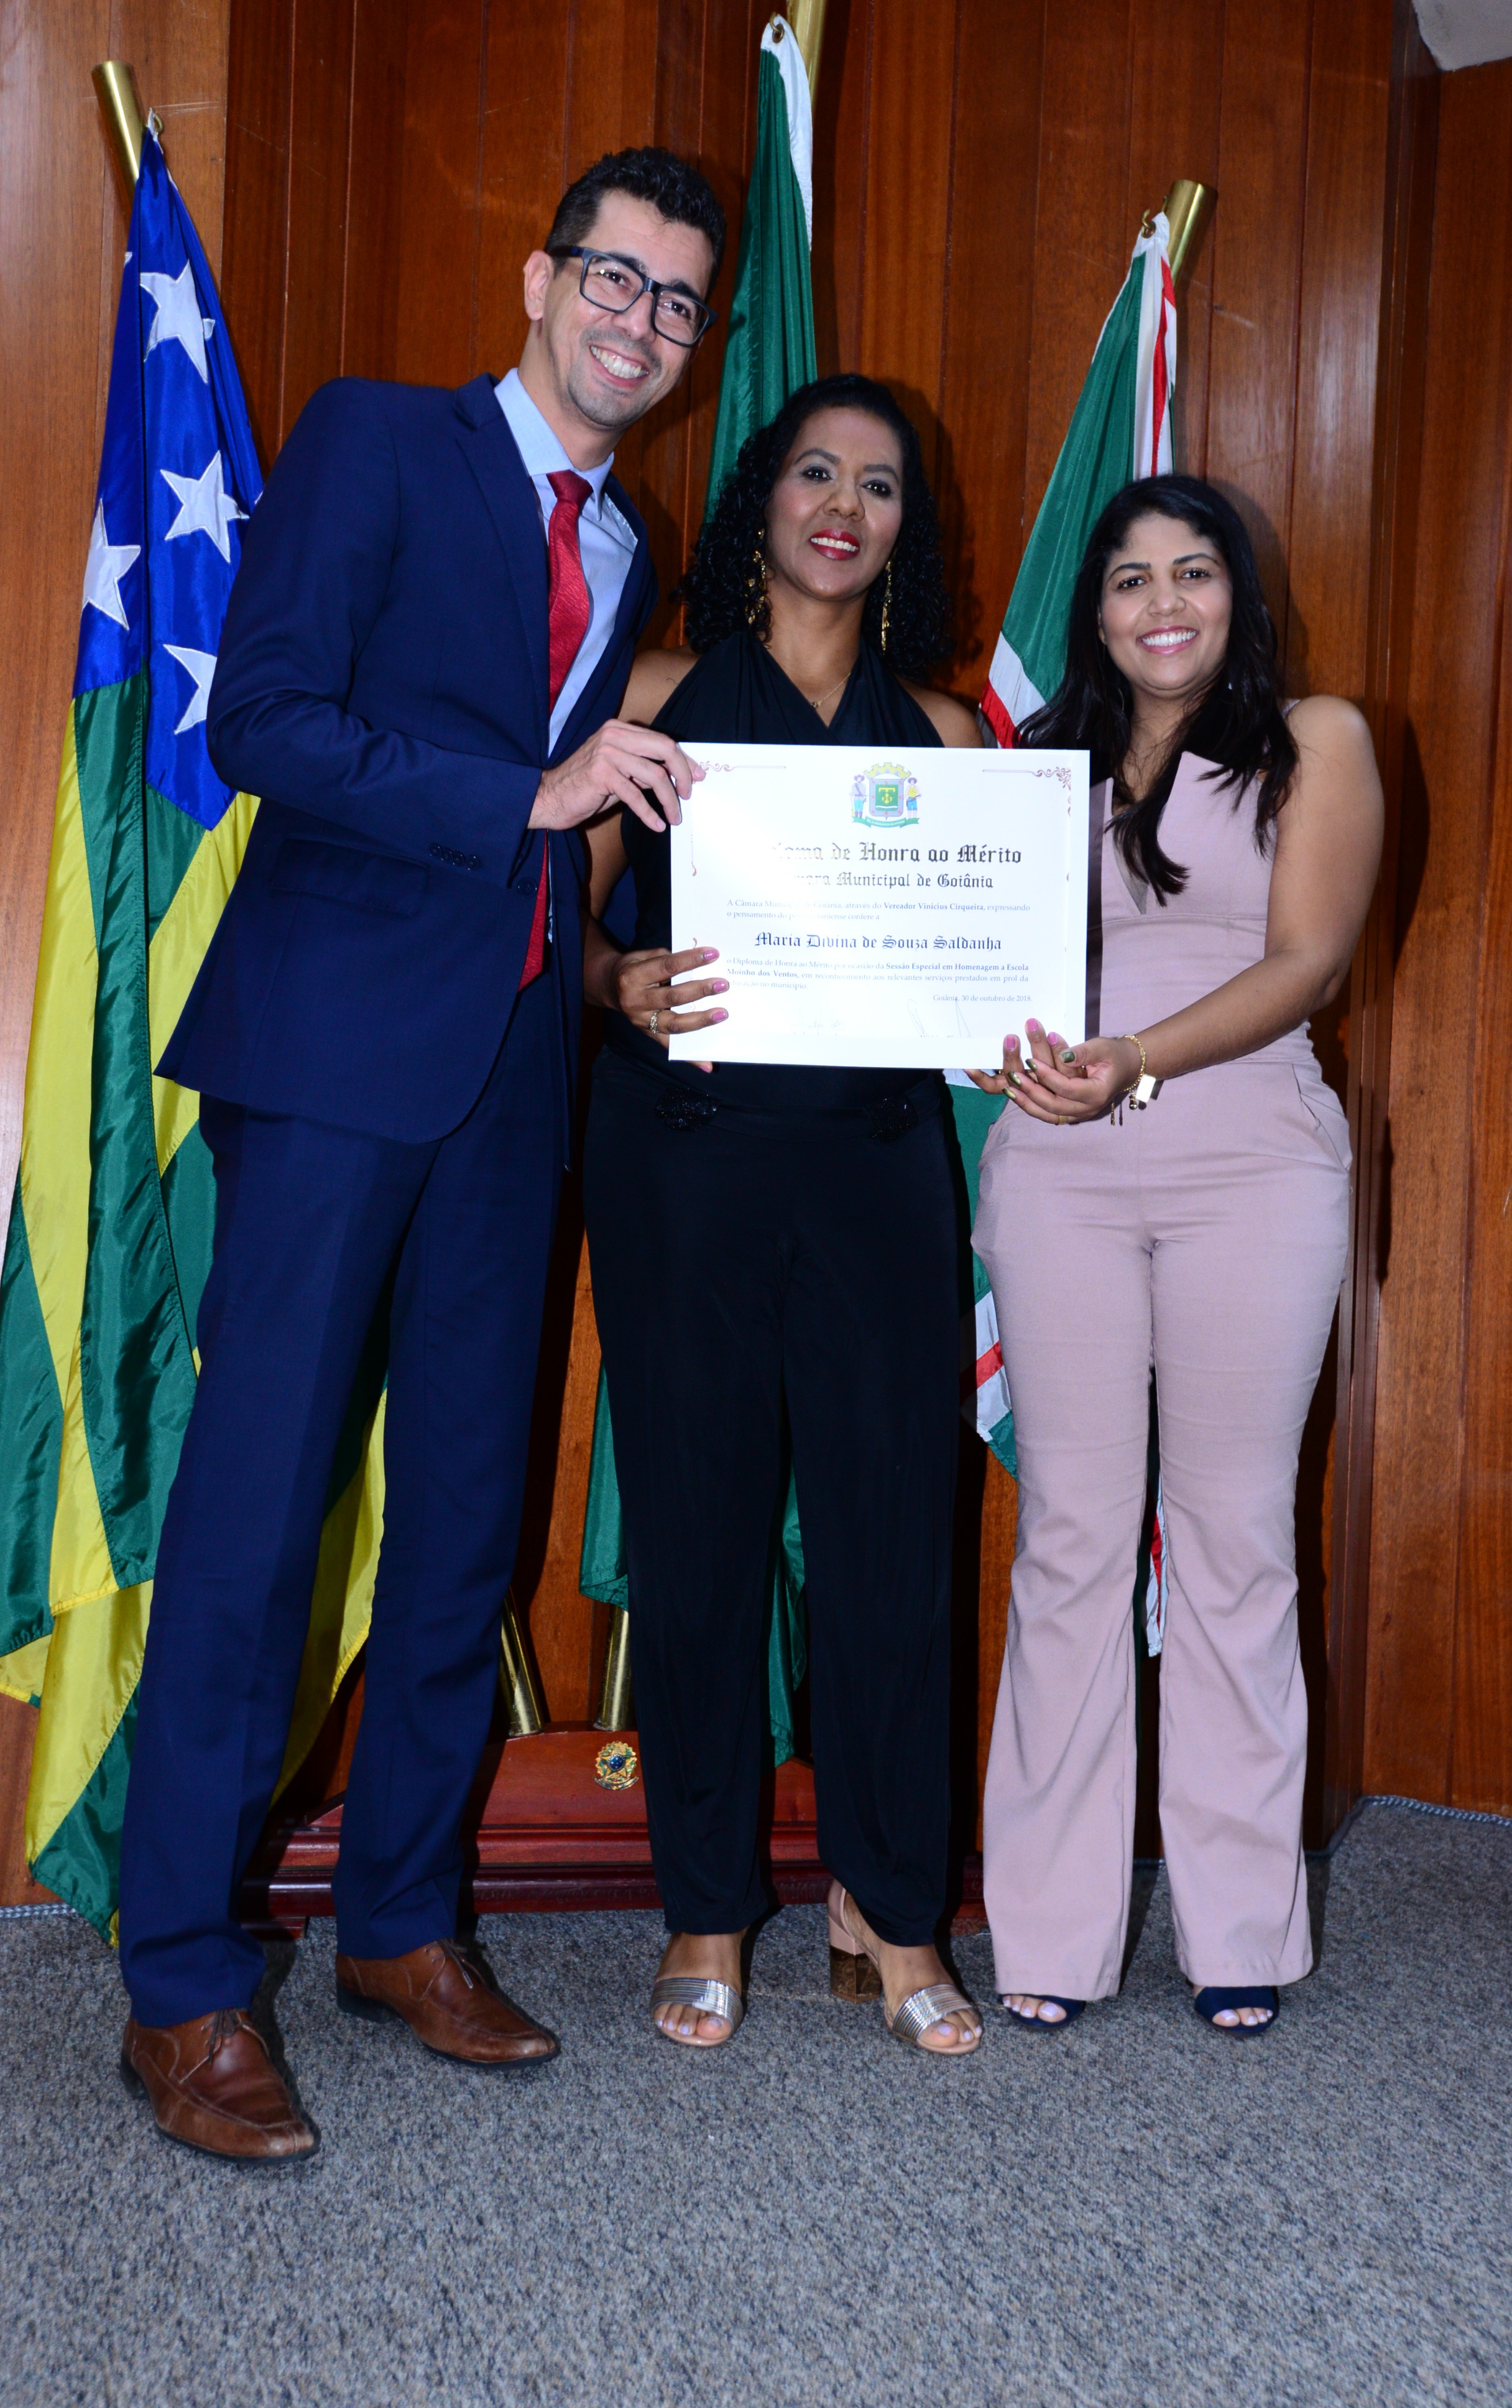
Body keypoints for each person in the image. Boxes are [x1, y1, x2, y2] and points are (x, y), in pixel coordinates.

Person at [115, 149, 727, 2160]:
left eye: (677, 302)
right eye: (616, 280)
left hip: (513, 1084)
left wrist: (610, 964)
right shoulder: (378, 439)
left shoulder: (630, 539)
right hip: (328, 1053)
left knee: (466, 1526)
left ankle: (397, 1925)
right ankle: (185, 1981)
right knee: (258, 1517)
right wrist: (525, 791)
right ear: (542, 278)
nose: (641, 324)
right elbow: (264, 721)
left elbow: (586, 820)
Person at [583, 374, 985, 2059]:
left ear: (901, 534)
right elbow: (571, 917)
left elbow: (985, 961)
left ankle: (889, 1909)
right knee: (699, 1537)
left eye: (877, 486)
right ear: (761, 505)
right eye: (815, 472)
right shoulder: (656, 694)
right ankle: (702, 1904)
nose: (843, 505)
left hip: (881, 1167)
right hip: (684, 1160)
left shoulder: (947, 735)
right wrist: (613, 981)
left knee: (895, 1543)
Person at [967, 473, 1384, 2038]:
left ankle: (1239, 1930)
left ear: (1236, 593)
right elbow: (979, 963)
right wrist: (987, 1040)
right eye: (1130, 576)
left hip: (1251, 1171)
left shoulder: (1315, 739)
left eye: (1192, 571)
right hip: (1057, 1174)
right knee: (1070, 1538)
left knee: (1231, 1538)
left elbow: (1309, 960)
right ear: (1094, 611)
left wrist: (1133, 1054)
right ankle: (1051, 1931)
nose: (1162, 602)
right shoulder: (1035, 772)